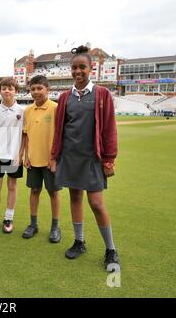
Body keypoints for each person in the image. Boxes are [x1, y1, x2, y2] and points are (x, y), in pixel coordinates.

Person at [49, 45, 121, 272]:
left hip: (92, 158)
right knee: (75, 199)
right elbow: (59, 130)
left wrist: (109, 158)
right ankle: (79, 242)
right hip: (69, 156)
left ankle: (110, 250)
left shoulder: (102, 94)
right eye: (74, 68)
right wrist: (54, 156)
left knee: (97, 203)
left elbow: (109, 128)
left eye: (82, 67)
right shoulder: (64, 97)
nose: (78, 71)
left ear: (91, 69)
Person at [22, 75, 62, 243]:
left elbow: (61, 135)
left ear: (48, 90)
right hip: (33, 159)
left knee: (53, 192)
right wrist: (26, 155)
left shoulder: (55, 108)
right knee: (34, 191)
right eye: (33, 89)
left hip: (51, 161)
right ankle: (33, 224)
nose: (36, 92)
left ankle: (55, 227)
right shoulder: (28, 110)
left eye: (40, 88)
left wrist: (56, 158)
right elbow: (27, 135)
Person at [0, 77, 25, 233]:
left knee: (12, 186)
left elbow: (24, 135)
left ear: (16, 91)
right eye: (4, 88)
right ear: (0, 91)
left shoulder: (22, 111)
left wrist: (20, 155)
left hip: (14, 156)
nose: (7, 91)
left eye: (10, 88)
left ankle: (9, 218)